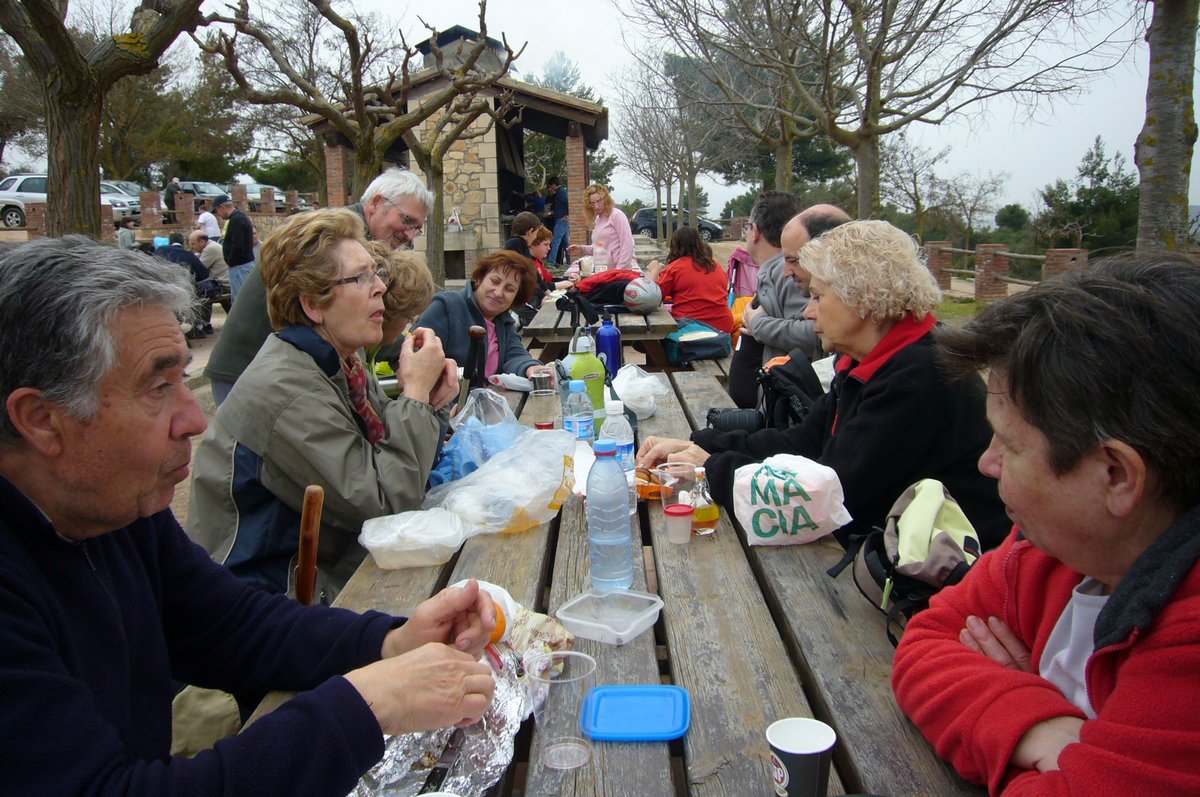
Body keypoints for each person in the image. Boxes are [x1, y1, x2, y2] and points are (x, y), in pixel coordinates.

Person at [0, 235, 495, 795]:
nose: (195, 419)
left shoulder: (111, 510)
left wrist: (391, 640)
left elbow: (231, 626)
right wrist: (371, 703)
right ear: (41, 419)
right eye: (159, 387)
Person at [892, 254, 1200, 795]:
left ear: (1116, 475)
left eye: (1009, 445)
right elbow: (927, 639)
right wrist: (1038, 724)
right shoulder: (1058, 549)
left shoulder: (1186, 644)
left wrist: (1004, 722)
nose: (986, 463)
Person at [637, 220, 1008, 550]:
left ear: (863, 299)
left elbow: (832, 491)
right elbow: (803, 442)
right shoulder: (871, 360)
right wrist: (701, 445)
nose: (808, 311)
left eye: (817, 296)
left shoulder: (921, 377)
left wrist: (711, 468)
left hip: (940, 578)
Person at [188, 210, 457, 597]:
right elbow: (387, 504)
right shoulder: (286, 389)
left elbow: (400, 462)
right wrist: (414, 394)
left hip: (331, 564)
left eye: (376, 273)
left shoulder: (342, 362)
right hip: (272, 597)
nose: (381, 287)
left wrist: (431, 398)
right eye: (361, 277)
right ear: (314, 304)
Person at [204, 168, 432, 406]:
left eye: (417, 227)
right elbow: (354, 322)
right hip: (246, 368)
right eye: (407, 220)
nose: (410, 235)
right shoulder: (338, 238)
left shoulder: (347, 237)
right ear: (376, 203)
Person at [725, 192, 805, 407]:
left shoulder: (789, 275)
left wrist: (758, 324)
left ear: (755, 231)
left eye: (747, 227)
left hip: (777, 409)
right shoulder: (774, 271)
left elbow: (814, 335)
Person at [420, 250, 542, 381]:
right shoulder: (446, 306)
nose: (498, 292)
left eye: (509, 289)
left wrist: (531, 367)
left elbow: (515, 354)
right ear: (479, 279)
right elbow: (418, 359)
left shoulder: (504, 322)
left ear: (516, 297)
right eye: (495, 281)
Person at [644, 226, 735, 333]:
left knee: (650, 336)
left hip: (691, 327)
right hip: (723, 327)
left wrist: (654, 271)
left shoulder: (674, 268)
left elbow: (651, 297)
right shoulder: (716, 266)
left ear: (674, 245)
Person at [568, 183, 635, 270]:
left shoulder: (617, 215)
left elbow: (627, 244)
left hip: (617, 270)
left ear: (606, 199)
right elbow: (599, 248)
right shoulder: (598, 219)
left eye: (599, 201)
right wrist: (581, 249)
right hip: (602, 269)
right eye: (592, 203)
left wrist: (619, 270)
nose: (596, 206)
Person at [214, 194, 255, 302]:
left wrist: (231, 260)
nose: (218, 215)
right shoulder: (239, 218)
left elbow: (238, 244)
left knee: (241, 300)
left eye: (217, 211)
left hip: (240, 266)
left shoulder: (236, 220)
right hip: (242, 265)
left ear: (222, 207)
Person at [544, 175, 570, 266]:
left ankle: (551, 263)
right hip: (561, 220)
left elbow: (569, 203)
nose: (550, 188)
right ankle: (570, 262)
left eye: (550, 186)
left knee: (555, 241)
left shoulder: (561, 193)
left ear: (554, 185)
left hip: (561, 220)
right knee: (566, 243)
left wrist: (567, 215)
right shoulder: (560, 192)